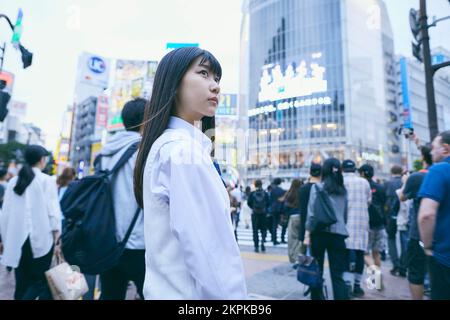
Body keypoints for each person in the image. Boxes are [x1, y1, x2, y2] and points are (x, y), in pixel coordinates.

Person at [133, 47, 247, 299]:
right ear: (173, 83)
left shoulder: (170, 146)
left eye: (216, 78)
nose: (215, 86)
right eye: (203, 73)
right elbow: (210, 254)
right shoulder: (183, 151)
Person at [95, 98, 146, 300]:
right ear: (146, 120)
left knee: (110, 294)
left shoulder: (104, 153)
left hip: (108, 242)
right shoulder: (144, 152)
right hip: (139, 242)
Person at [0, 145, 61, 300]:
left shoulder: (14, 181)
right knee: (39, 282)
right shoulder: (47, 181)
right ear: (42, 160)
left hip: (17, 240)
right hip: (42, 240)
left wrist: (4, 238)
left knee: (21, 282)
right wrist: (57, 238)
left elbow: (5, 213)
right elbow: (53, 213)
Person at [304, 158, 349, 300]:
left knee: (317, 271)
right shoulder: (343, 191)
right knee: (338, 275)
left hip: (319, 233)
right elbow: (344, 214)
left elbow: (311, 213)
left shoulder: (317, 188)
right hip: (339, 235)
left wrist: (307, 233)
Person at [418, 130, 450, 300]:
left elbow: (426, 215)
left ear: (445, 149)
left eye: (433, 147)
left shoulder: (439, 170)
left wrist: (428, 247)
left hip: (444, 256)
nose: (430, 152)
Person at [397, 145, 432, 299]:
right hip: (442, 233)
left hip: (418, 233)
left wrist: (405, 181)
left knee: (416, 274)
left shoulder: (417, 177)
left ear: (423, 157)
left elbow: (402, 197)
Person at [342, 159, 371, 298]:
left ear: (342, 169)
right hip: (361, 222)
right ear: (354, 169)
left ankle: (347, 285)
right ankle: (357, 286)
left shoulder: (341, 181)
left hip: (345, 223)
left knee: (346, 253)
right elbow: (368, 201)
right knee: (360, 254)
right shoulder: (364, 182)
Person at [359, 164, 386, 288]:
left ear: (363, 173)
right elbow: (385, 204)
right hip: (380, 224)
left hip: (367, 224)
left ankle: (376, 278)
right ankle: (376, 281)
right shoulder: (380, 187)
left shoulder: (362, 186)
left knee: (365, 253)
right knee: (376, 253)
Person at [384, 165, 404, 277]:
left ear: (391, 172)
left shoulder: (387, 183)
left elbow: (384, 200)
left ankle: (395, 264)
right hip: (403, 215)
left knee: (391, 239)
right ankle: (403, 266)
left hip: (390, 215)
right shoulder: (403, 182)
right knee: (404, 239)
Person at [298, 163, 322, 245]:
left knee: (306, 254)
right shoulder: (322, 189)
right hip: (320, 226)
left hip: (304, 224)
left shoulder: (302, 189)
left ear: (310, 172)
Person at [283, 179, 303, 263]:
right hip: (302, 217)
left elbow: (285, 207)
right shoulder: (302, 192)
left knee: (292, 239)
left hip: (292, 217)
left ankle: (293, 257)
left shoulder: (290, 193)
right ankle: (299, 255)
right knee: (300, 239)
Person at [247, 180, 270, 253]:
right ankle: (262, 243)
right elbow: (268, 203)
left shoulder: (252, 193)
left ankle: (256, 246)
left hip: (255, 214)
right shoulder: (265, 193)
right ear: (261, 184)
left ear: (255, 185)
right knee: (263, 229)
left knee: (255, 230)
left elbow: (249, 203)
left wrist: (253, 208)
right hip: (263, 214)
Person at [269, 178, 286, 245]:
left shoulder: (272, 190)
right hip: (280, 209)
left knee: (274, 224)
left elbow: (270, 200)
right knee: (282, 224)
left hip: (273, 209)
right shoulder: (282, 191)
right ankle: (282, 238)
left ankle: (274, 239)